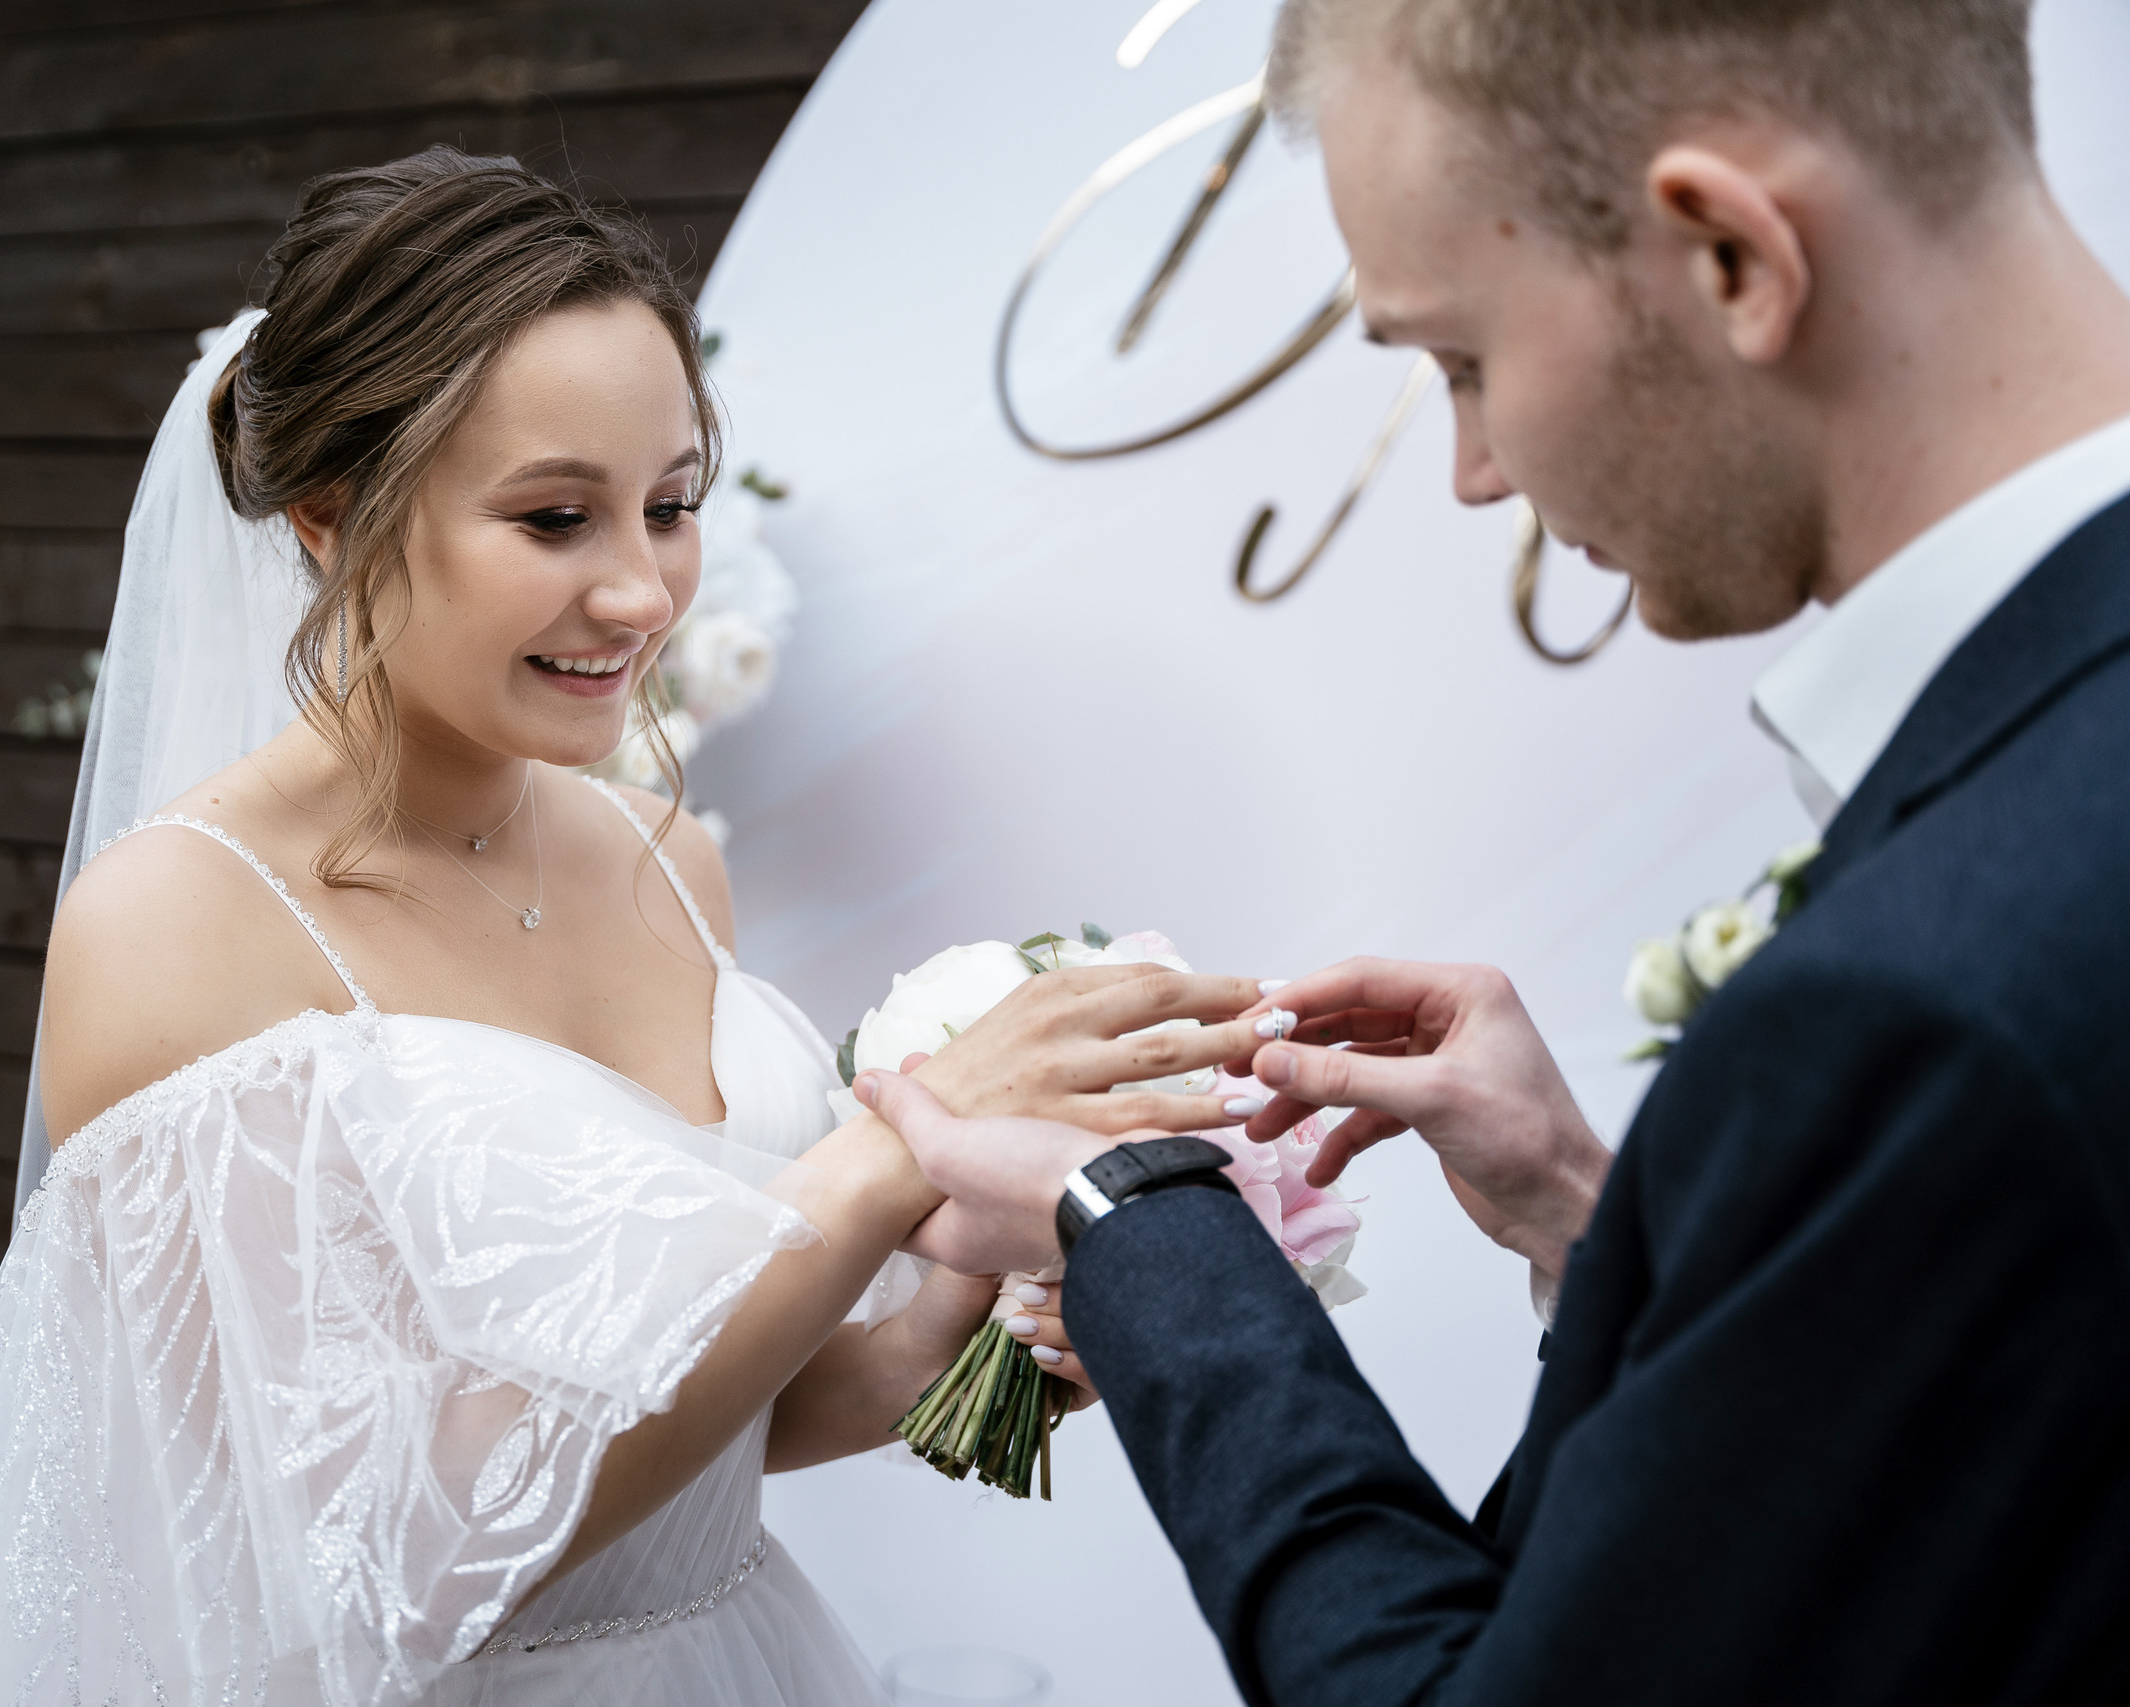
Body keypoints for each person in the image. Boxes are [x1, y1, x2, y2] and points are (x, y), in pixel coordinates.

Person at [0, 149, 1271, 1706]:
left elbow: (719, 1433)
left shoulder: (669, 860)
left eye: (669, 507)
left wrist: (965, 1323)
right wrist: (887, 1159)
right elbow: (380, 1541)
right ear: (329, 518)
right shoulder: (174, 927)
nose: (644, 591)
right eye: (555, 519)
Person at [855, 1, 2130, 1702]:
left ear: (1731, 257)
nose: (1470, 471)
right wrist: (1599, 1228)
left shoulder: (1932, 993)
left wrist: (1136, 1219)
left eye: (1458, 359)